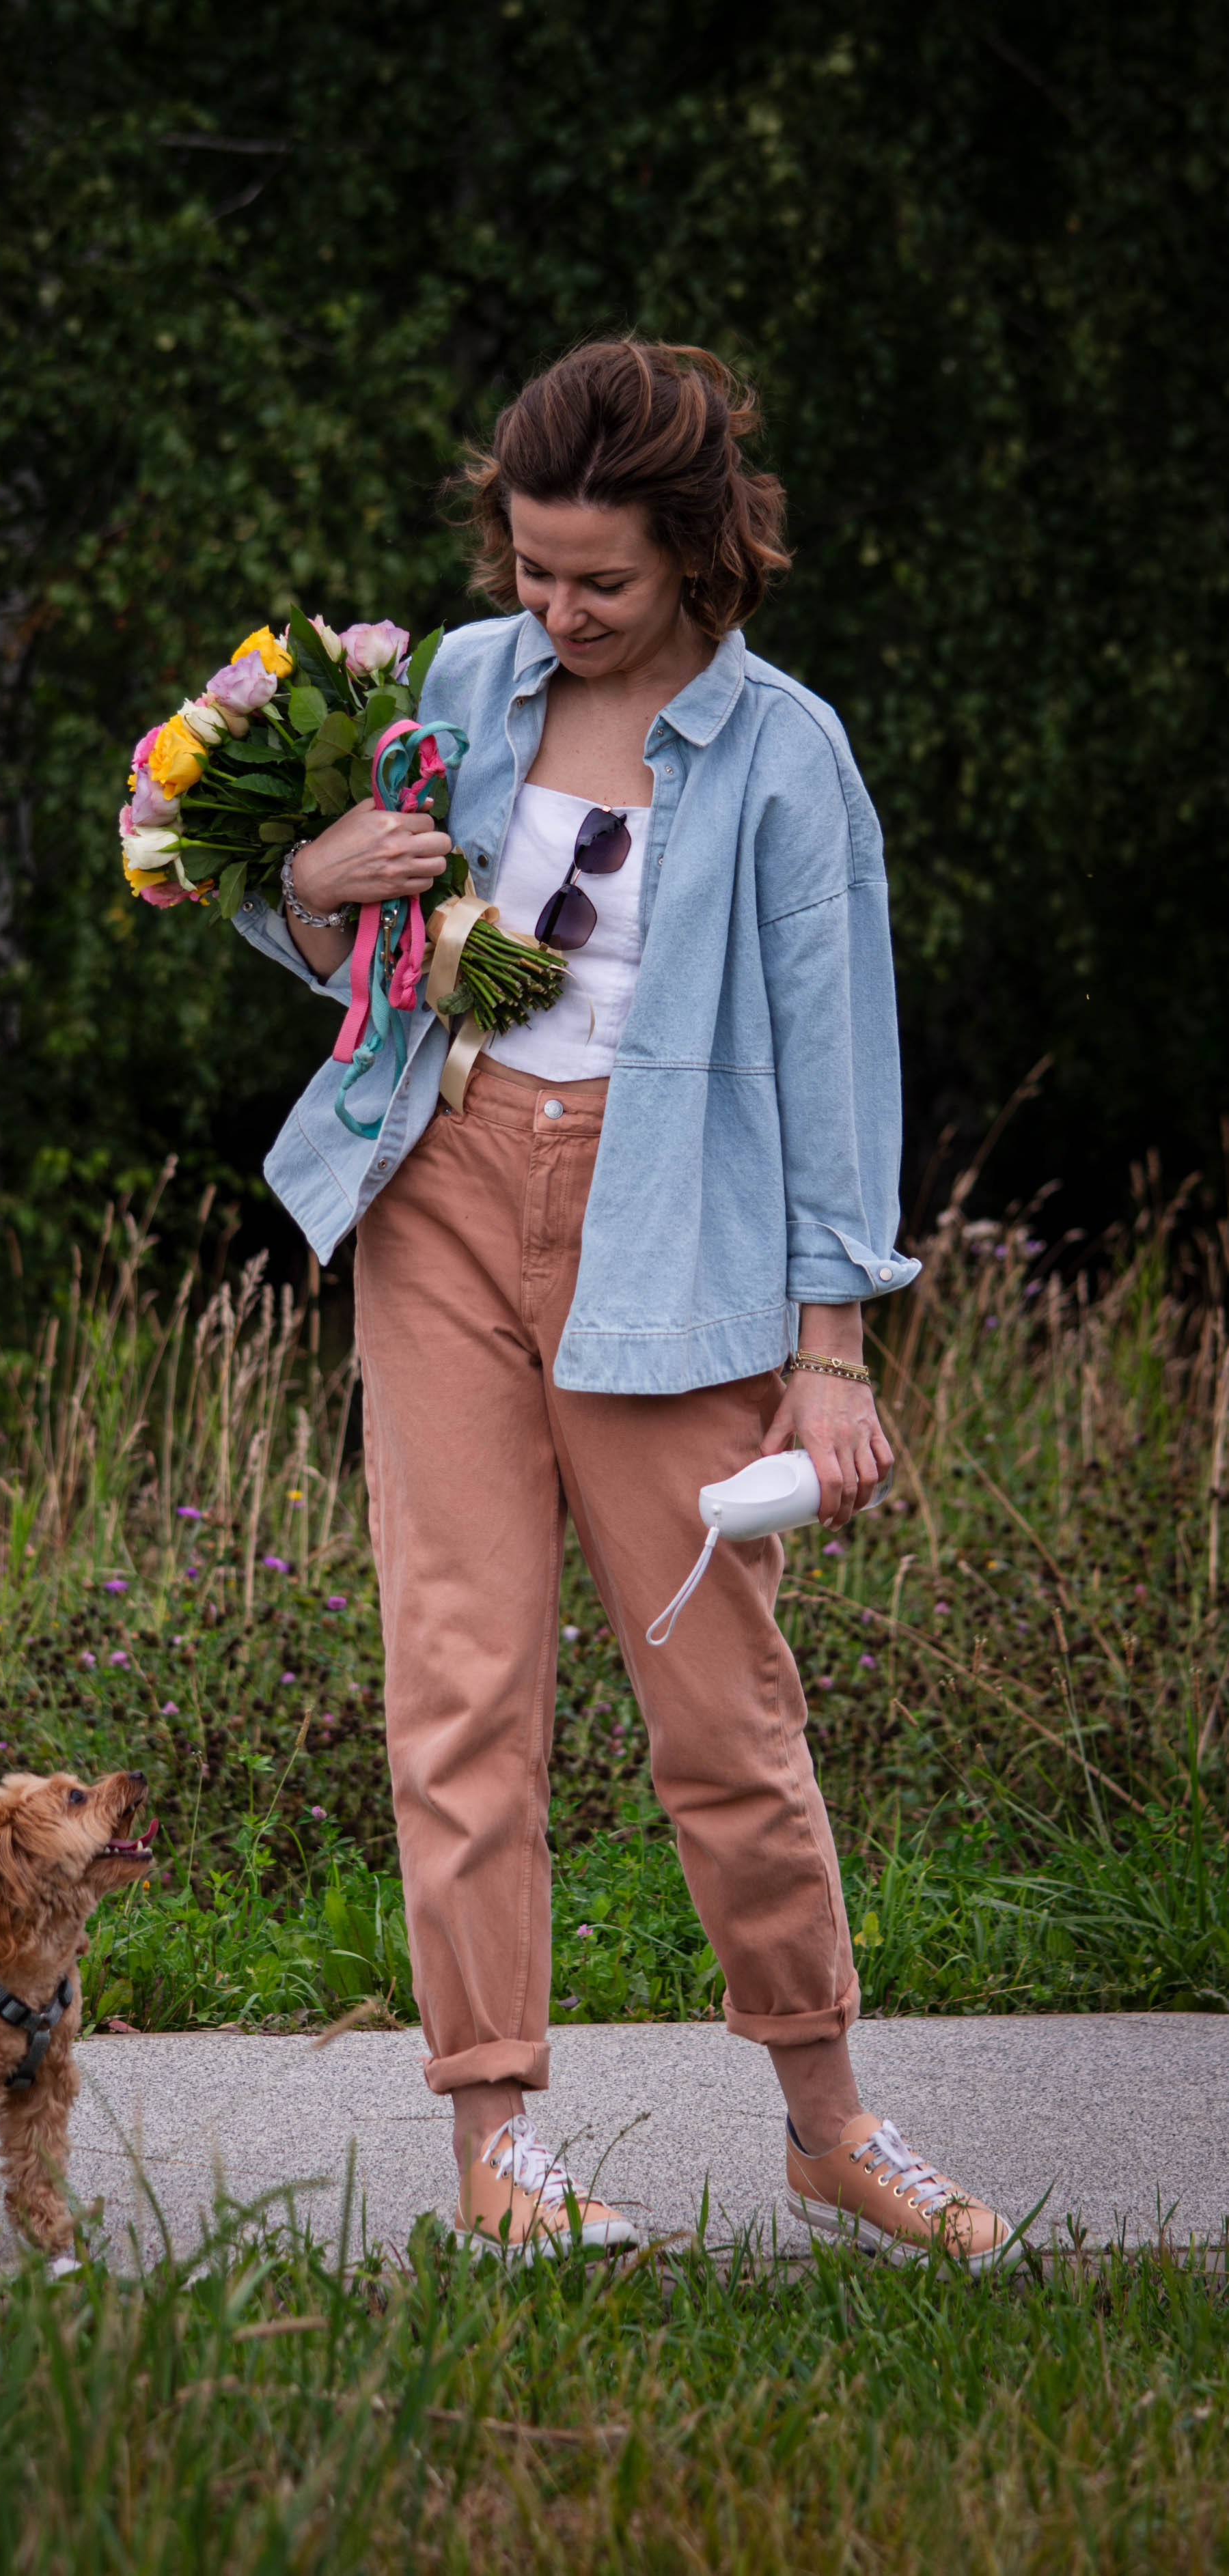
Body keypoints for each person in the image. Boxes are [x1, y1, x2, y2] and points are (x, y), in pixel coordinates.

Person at [232, 338, 1012, 2271]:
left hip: (672, 1236)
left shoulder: (782, 750)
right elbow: (352, 929)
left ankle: (829, 2123)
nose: (553, 613)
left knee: (720, 1704)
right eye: (528, 571)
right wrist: (310, 880)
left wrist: (833, 1348)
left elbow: (839, 1059)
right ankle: (495, 2146)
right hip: (439, 1197)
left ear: (698, 549)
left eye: (599, 582)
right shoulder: (460, 687)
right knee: (461, 1687)